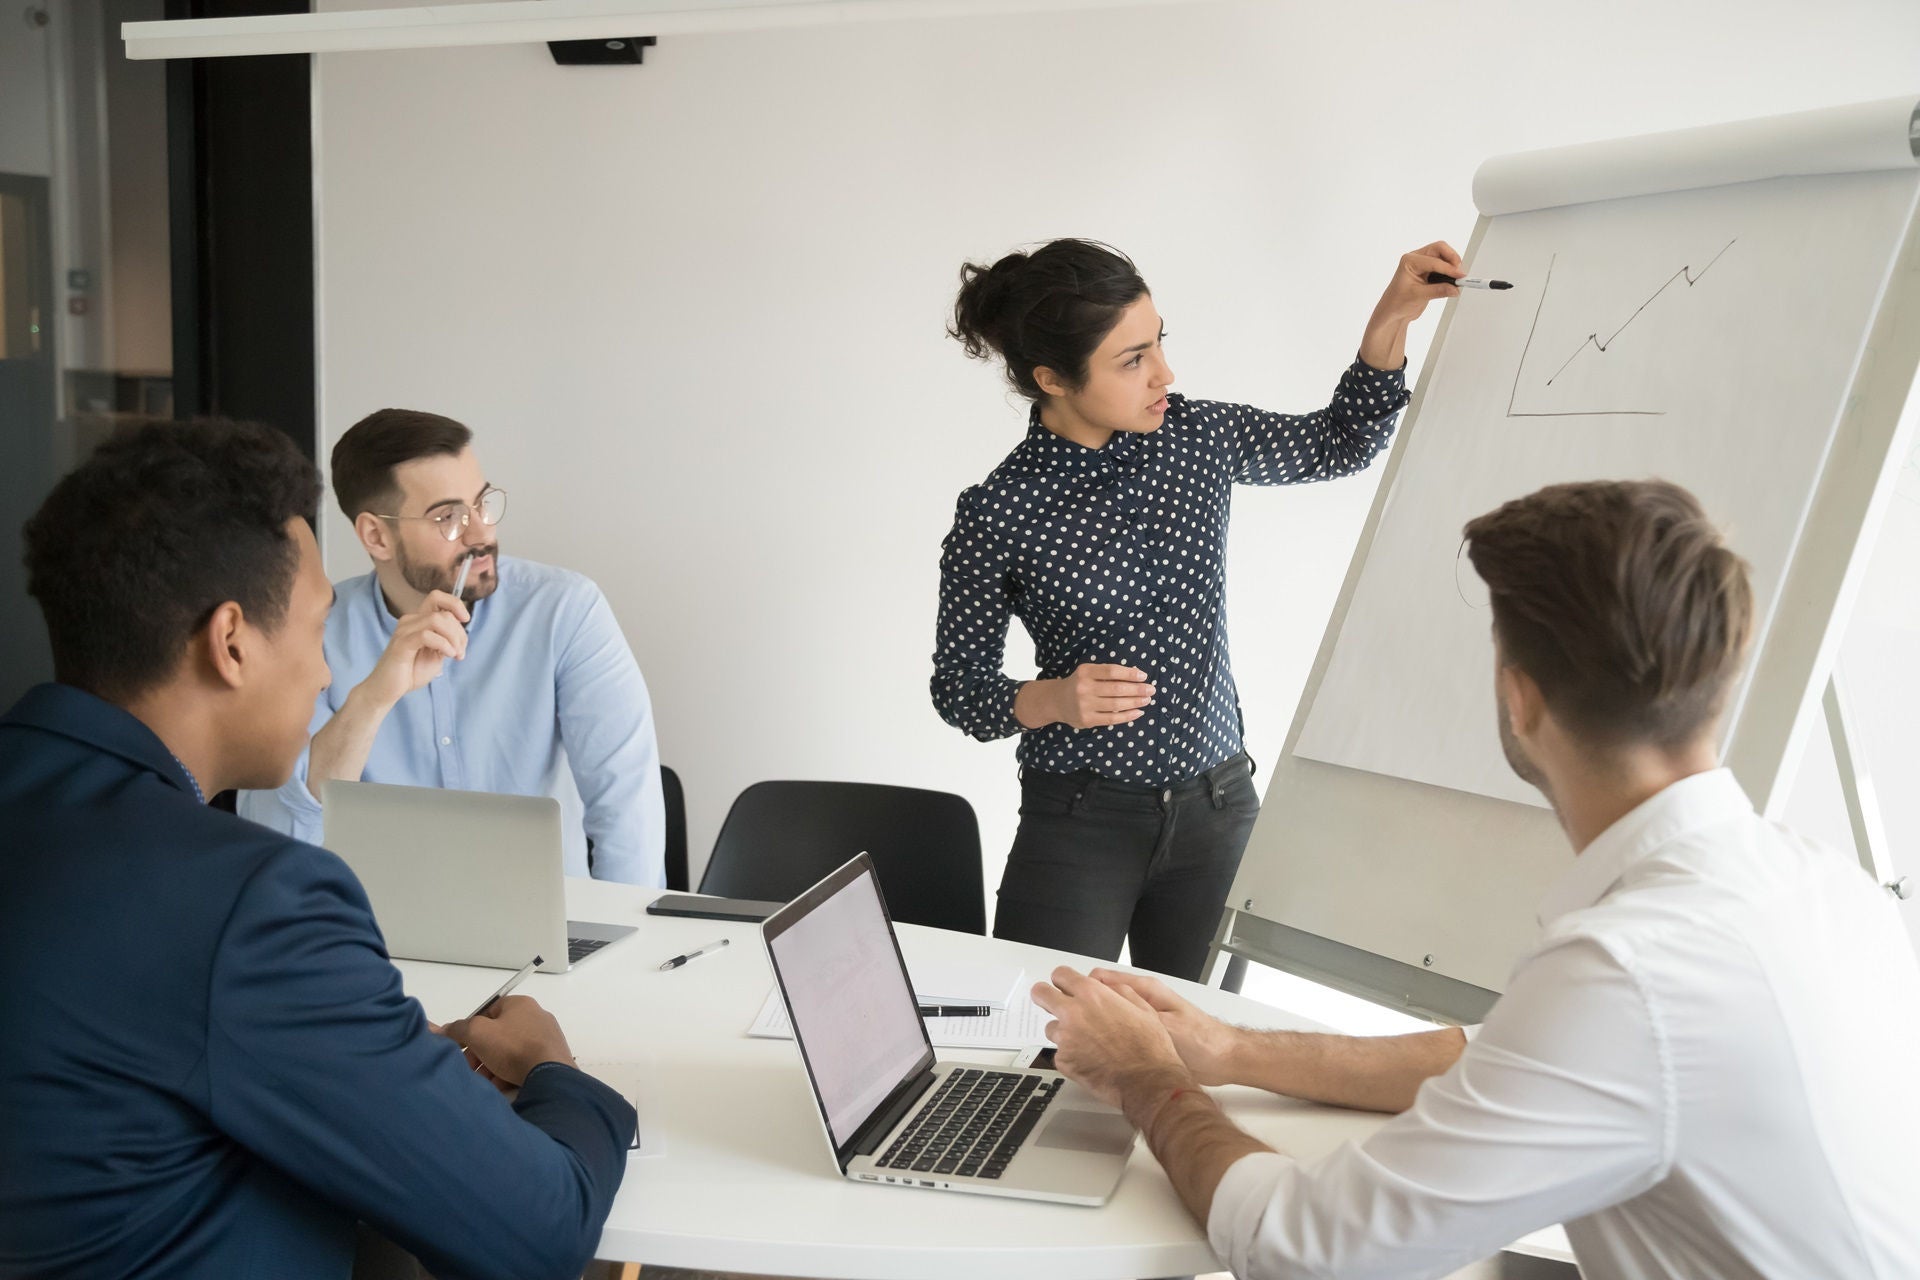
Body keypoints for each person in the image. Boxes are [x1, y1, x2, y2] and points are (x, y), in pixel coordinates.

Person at [1033, 479, 1920, 1279]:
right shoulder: (1824, 885)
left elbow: (1306, 1249)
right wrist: (1235, 1052)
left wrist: (1148, 1078)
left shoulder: (1632, 971)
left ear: (1518, 695)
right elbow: (1512, 1055)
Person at [0, 418, 636, 1280]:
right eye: (313, 631)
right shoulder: (251, 903)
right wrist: (558, 1071)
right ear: (231, 643)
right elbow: (541, 1227)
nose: (326, 672)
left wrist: (369, 1043)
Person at [932, 237, 1460, 978]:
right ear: (1052, 377)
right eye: (1132, 360)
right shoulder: (1000, 512)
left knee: (1202, 1054)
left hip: (1219, 811)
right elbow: (959, 691)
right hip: (1080, 823)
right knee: (1043, 1044)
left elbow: (1339, 444)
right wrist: (1049, 698)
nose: (1164, 375)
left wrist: (1389, 323)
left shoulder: (1195, 437)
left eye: (1158, 345)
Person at [239, 408, 665, 886]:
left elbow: (628, 813)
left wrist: (624, 945)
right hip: (379, 940)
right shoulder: (316, 633)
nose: (482, 534)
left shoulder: (564, 612)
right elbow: (277, 834)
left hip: (551, 936)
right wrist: (374, 696)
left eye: (482, 504)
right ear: (376, 536)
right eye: (449, 517)